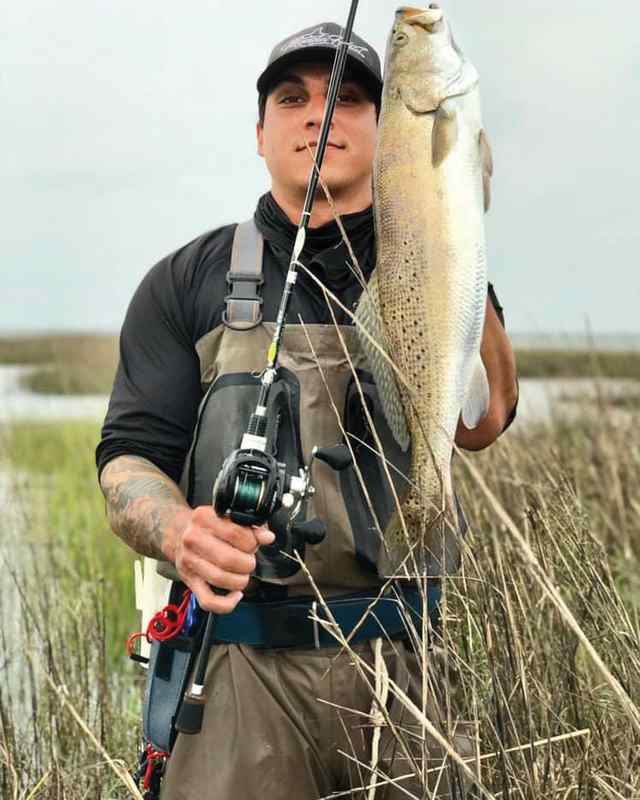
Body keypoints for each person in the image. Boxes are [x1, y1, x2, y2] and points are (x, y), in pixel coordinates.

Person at [96, 20, 518, 800]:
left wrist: (457, 199)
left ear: (390, 127)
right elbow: (127, 456)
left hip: (404, 668)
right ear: (260, 132)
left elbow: (484, 422)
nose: (318, 117)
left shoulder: (431, 263)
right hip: (235, 667)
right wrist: (180, 531)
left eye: (349, 99)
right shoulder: (185, 281)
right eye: (293, 98)